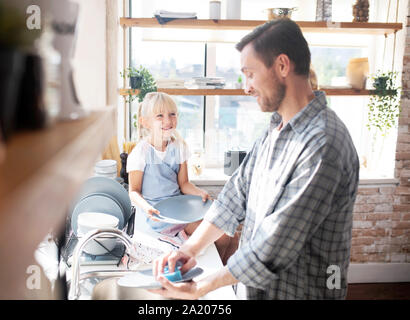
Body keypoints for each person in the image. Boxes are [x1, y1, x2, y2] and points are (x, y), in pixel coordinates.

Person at [150, 18, 360, 300]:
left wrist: (203, 287)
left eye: (250, 74)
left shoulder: (323, 146)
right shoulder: (277, 128)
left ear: (283, 66)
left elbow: (274, 246)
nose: (246, 87)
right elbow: (235, 195)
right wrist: (189, 249)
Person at [127, 92, 211, 239]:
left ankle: (222, 263)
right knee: (220, 235)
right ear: (145, 122)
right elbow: (133, 191)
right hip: (159, 215)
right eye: (160, 116)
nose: (168, 120)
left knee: (231, 235)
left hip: (179, 208)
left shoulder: (179, 147)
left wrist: (199, 193)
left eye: (172, 114)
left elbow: (184, 184)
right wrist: (147, 208)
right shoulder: (140, 152)